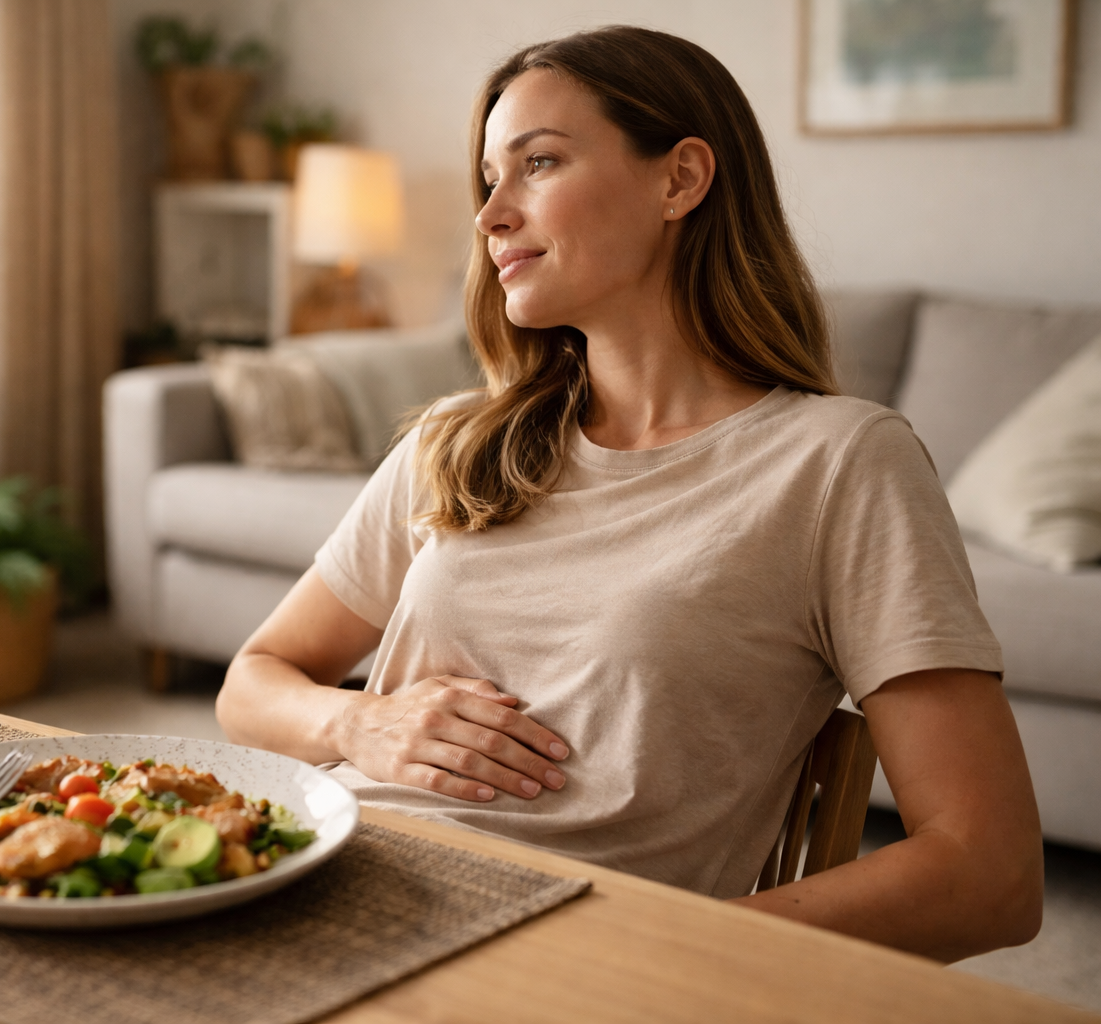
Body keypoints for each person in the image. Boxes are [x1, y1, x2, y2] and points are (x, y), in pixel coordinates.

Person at [214, 26, 1042, 962]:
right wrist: (357, 721)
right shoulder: (459, 441)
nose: (490, 215)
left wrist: (649, 953)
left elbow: (991, 875)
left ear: (680, 180)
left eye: (539, 164)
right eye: (489, 178)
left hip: (533, 968)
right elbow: (253, 681)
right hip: (305, 885)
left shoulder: (840, 465)